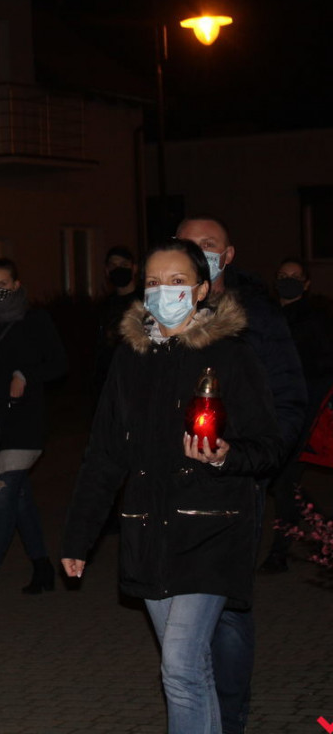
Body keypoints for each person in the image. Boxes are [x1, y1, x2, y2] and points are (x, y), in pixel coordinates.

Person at [61, 238, 281, 733]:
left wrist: (226, 455)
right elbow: (104, 454)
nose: (165, 291)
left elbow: (269, 445)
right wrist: (79, 537)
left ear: (202, 289)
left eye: (178, 281)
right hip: (150, 530)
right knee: (191, 671)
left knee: (179, 667)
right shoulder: (130, 359)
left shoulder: (230, 356)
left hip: (210, 530)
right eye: (154, 282)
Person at [176, 216, 307, 734]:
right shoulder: (159, 312)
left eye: (208, 245)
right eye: (188, 244)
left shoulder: (258, 316)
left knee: (227, 606)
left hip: (235, 481)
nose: (198, 252)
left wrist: (254, 459)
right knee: (179, 606)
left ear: (227, 255)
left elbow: (289, 397)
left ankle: (229, 721)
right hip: (172, 486)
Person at [0, 258, 67, 602]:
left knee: (3, 495)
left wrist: (26, 375)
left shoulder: (35, 320)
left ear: (17, 285)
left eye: (3, 285)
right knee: (19, 498)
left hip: (25, 422)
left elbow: (59, 364)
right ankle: (42, 567)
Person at [261, 256, 333, 571]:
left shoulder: (315, 321)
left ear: (306, 284)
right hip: (271, 411)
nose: (287, 280)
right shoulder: (268, 316)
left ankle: (280, 552)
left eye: (294, 276)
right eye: (282, 275)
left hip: (302, 414)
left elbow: (324, 370)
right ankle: (322, 528)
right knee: (279, 481)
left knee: (285, 480)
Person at [93, 245, 140, 404]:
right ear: (107, 271)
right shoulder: (104, 306)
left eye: (124, 265)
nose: (118, 269)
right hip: (109, 381)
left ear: (134, 268)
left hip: (136, 380)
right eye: (113, 265)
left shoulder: (145, 303)